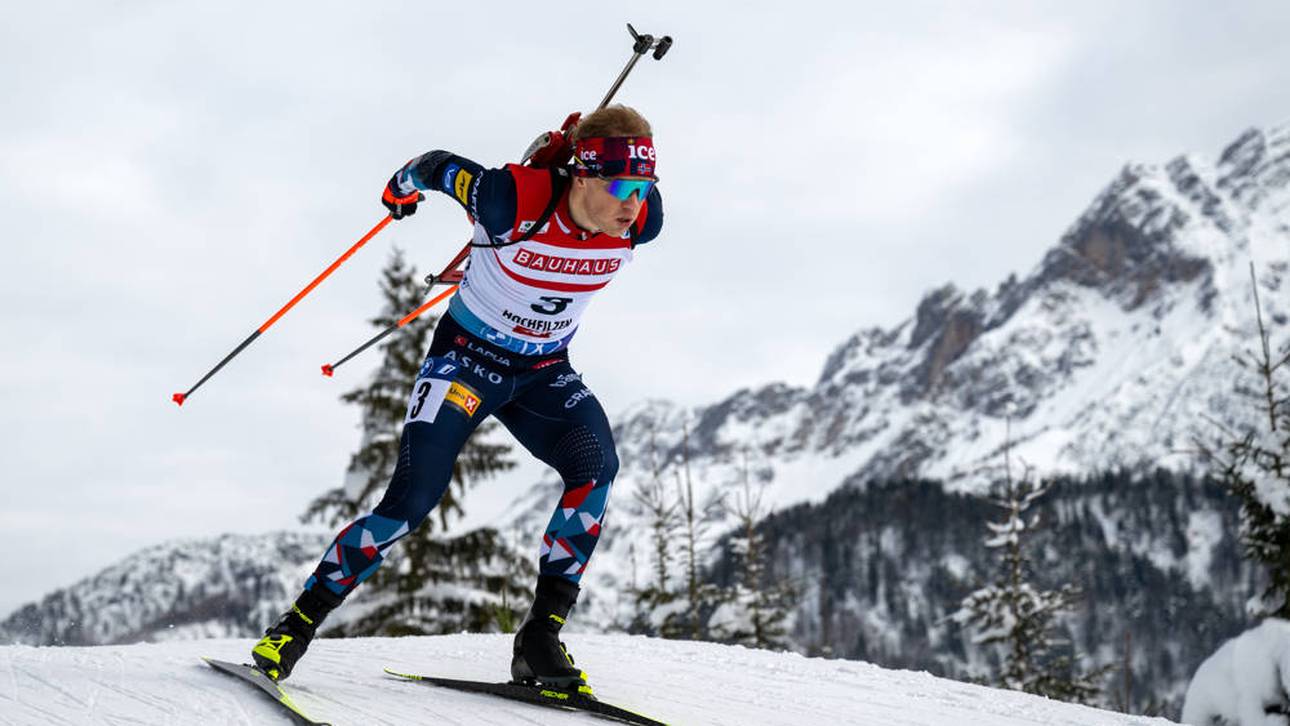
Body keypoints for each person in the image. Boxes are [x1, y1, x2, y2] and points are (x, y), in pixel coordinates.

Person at [249, 105, 663, 695]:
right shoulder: (507, 199)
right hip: (465, 365)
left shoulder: (644, 220)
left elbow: (635, 204)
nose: (633, 203)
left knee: (596, 469)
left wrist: (632, 191)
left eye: (645, 185)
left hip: (544, 371)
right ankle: (295, 626)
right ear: (582, 174)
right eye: (622, 185)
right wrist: (399, 191)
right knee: (412, 501)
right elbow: (435, 165)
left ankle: (539, 638)